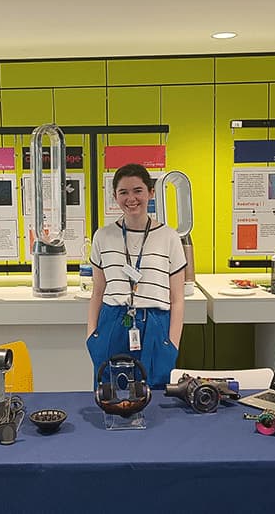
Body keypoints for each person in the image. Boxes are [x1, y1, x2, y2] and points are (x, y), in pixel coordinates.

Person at [86, 163, 186, 388]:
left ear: (151, 192)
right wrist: (92, 336)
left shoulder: (169, 237)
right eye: (123, 192)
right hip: (113, 321)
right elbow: (97, 292)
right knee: (110, 394)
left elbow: (178, 298)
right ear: (115, 196)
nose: (131, 198)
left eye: (138, 190)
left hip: (155, 324)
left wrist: (172, 344)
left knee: (155, 395)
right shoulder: (103, 236)